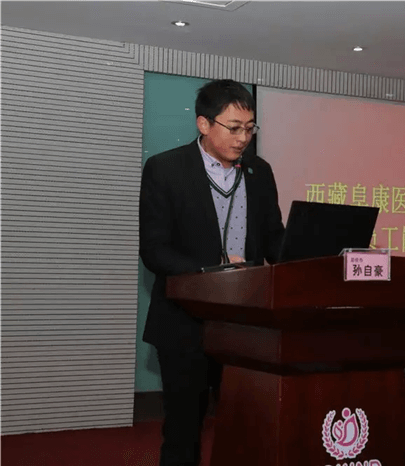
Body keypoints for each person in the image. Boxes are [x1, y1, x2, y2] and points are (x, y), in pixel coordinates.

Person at [139, 79, 285, 466]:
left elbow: (274, 239)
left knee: (246, 426)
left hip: (244, 323)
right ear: (204, 124)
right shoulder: (165, 169)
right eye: (234, 128)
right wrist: (212, 271)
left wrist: (315, 256)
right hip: (184, 322)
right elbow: (154, 250)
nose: (243, 138)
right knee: (184, 429)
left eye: (250, 128)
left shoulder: (259, 171)